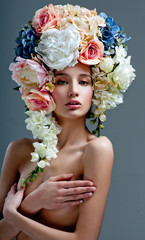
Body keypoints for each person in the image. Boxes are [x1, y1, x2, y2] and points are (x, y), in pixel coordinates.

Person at [0, 3, 135, 240]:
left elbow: (86, 239)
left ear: (96, 89)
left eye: (83, 82)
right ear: (44, 88)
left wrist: (15, 215)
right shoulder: (19, 150)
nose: (74, 91)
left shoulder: (97, 150)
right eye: (62, 81)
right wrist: (34, 202)